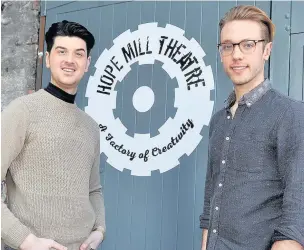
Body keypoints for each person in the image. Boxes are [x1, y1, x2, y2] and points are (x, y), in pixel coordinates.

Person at [200, 5, 304, 250]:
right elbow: (210, 203)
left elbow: (298, 210)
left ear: (266, 50)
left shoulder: (291, 114)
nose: (236, 55)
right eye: (228, 46)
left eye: (248, 45)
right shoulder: (218, 121)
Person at [1, 20, 105, 250]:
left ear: (87, 63)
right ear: (47, 59)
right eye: (62, 51)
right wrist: (26, 241)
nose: (70, 60)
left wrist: (99, 230)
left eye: (79, 54)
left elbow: (93, 189)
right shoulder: (23, 111)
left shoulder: (90, 127)